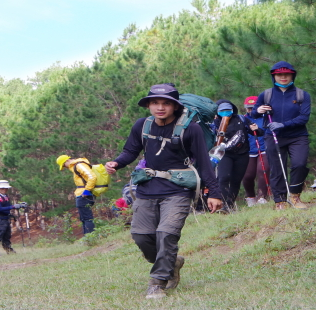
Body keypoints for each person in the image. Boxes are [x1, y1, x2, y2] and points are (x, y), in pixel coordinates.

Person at [104, 83, 222, 299]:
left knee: (167, 234)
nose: (160, 107)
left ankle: (157, 283)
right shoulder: (142, 125)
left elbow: (204, 163)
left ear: (175, 106)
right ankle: (172, 263)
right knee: (141, 236)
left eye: (166, 103)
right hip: (147, 188)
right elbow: (130, 151)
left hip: (177, 189)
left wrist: (214, 193)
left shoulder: (190, 129)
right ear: (149, 105)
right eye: (155, 103)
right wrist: (116, 163)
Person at [251, 61, 311, 210]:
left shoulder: (302, 95)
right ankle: (280, 201)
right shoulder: (266, 94)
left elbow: (304, 118)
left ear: (292, 76)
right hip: (273, 136)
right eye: (279, 75)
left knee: (299, 164)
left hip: (298, 136)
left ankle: (295, 196)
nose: (283, 77)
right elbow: (253, 113)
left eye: (287, 74)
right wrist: (259, 111)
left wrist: (283, 124)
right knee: (277, 168)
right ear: (274, 76)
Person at [213, 99, 262, 212]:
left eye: (228, 110)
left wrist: (256, 129)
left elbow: (258, 133)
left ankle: (229, 205)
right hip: (224, 154)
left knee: (236, 180)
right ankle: (223, 204)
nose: (225, 112)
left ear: (232, 110)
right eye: (222, 110)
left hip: (242, 154)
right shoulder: (215, 122)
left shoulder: (241, 119)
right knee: (223, 178)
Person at [241, 96, 271, 206]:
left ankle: (262, 196)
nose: (250, 110)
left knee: (263, 170)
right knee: (248, 175)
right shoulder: (243, 119)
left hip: (264, 149)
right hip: (249, 151)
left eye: (252, 107)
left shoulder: (266, 117)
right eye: (248, 108)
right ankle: (250, 197)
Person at [57, 155, 97, 234]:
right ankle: (88, 239)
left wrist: (87, 190)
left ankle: (90, 238)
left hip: (84, 194)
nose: (66, 168)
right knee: (84, 218)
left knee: (87, 218)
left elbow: (92, 177)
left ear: (66, 161)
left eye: (64, 165)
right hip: (82, 194)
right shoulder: (77, 165)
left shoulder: (79, 165)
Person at [0, 180, 26, 256]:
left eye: (5, 188)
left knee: (6, 236)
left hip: (5, 219)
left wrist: (20, 205)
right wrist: (13, 206)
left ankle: (8, 250)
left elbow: (7, 206)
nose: (4, 190)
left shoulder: (5, 197)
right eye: (2, 188)